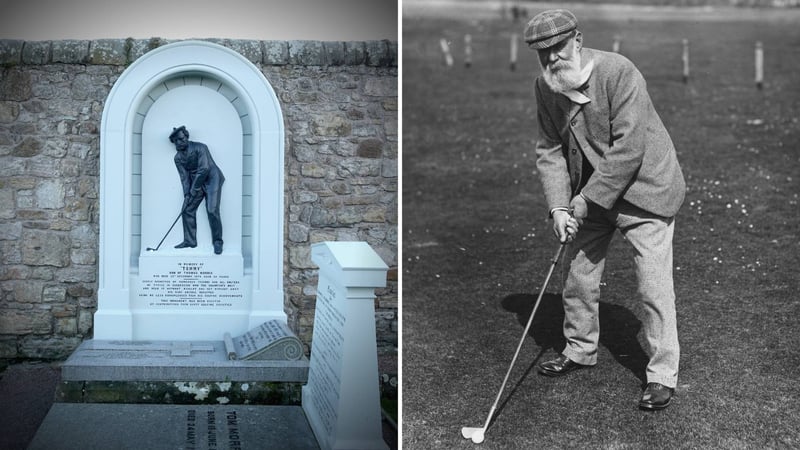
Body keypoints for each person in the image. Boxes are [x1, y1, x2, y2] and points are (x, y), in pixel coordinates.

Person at [524, 9, 686, 410]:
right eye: (543, 53)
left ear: (577, 40)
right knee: (577, 273)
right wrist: (559, 207)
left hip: (646, 190)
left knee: (652, 285)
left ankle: (662, 374)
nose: (552, 59)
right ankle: (579, 349)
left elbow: (629, 148)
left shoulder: (619, 72)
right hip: (591, 196)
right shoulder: (546, 87)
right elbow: (549, 150)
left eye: (558, 48)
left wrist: (583, 200)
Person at [169, 126, 226, 255]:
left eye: (181, 139)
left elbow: (204, 169)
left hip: (212, 179)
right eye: (176, 141)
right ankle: (190, 241)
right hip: (196, 182)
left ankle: (217, 242)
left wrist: (194, 189)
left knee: (212, 210)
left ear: (186, 136)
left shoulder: (201, 147)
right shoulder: (177, 158)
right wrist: (187, 195)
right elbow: (184, 178)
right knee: (187, 209)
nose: (179, 142)